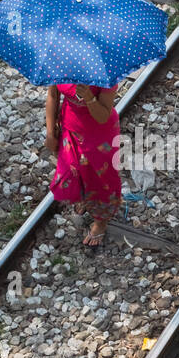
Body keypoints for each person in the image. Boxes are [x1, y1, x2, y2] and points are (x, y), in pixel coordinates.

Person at [46, 81, 122, 246]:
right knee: (71, 172)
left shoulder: (104, 73)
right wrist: (50, 133)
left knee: (100, 180)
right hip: (70, 128)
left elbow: (103, 116)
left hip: (99, 135)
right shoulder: (59, 63)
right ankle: (85, 196)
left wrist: (89, 97)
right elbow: (53, 95)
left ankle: (101, 221)